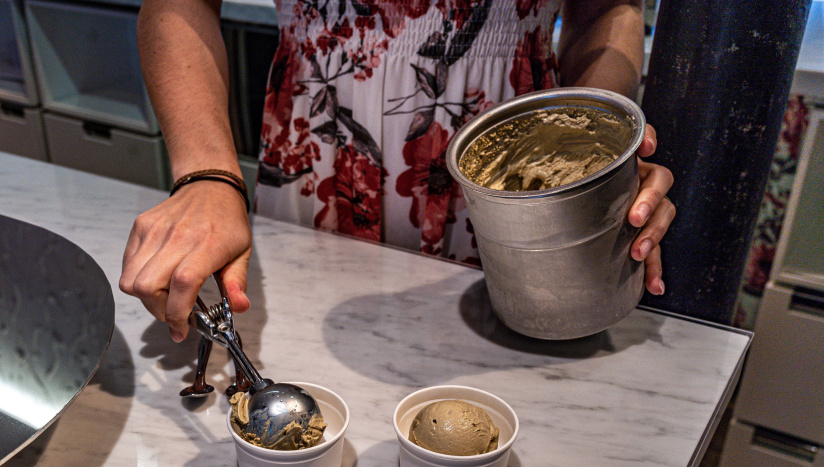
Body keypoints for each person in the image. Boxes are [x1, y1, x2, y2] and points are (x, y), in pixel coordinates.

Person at [120, 0, 675, 342]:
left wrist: (592, 161)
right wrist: (207, 175)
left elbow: (603, 11)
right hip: (320, 149)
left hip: (511, 162)